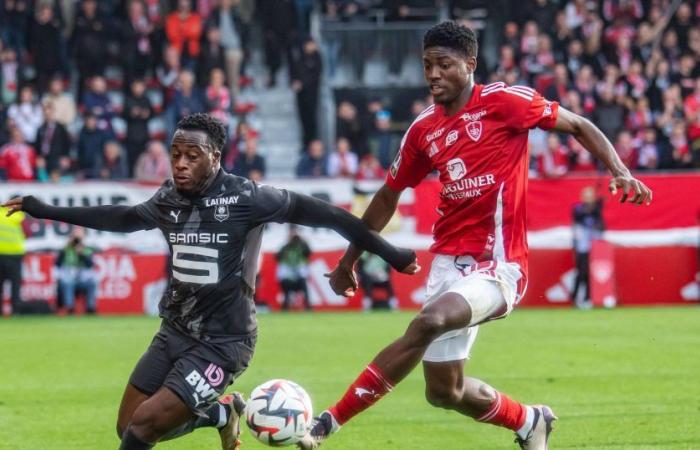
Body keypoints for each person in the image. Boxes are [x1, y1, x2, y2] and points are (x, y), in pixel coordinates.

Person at [298, 21, 652, 450]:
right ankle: (529, 421)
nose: (432, 75)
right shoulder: (423, 130)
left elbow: (578, 125)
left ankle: (327, 423)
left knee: (427, 322)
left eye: (443, 65)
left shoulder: (505, 102)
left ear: (470, 65)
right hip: (449, 265)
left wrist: (620, 170)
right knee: (444, 392)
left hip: (500, 265)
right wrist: (349, 258)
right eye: (427, 65)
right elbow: (387, 197)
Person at [2, 113, 417, 450]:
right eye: (175, 154)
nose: (180, 163)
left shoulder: (247, 197)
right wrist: (46, 209)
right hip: (173, 332)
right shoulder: (169, 199)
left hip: (224, 343)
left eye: (192, 156)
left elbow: (330, 215)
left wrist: (391, 253)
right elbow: (122, 218)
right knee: (127, 425)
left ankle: (217, 411)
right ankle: (221, 414)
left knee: (142, 429)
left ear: (215, 156)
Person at [571, 186, 604, 308]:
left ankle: (588, 298)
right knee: (581, 271)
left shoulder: (597, 209)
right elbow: (578, 218)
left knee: (590, 273)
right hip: (582, 245)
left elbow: (601, 225)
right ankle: (575, 297)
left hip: (594, 246)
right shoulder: (578, 208)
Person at [56, 227, 98, 314]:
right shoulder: (66, 249)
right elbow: (57, 264)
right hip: (69, 278)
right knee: (67, 282)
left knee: (93, 282)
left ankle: (90, 308)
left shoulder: (87, 248)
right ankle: (70, 307)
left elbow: (90, 265)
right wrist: (65, 248)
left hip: (82, 280)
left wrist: (81, 253)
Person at [276, 225, 312, 311]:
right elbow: (277, 257)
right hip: (288, 277)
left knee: (303, 283)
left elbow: (308, 253)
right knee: (285, 284)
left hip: (299, 276)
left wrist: (302, 239)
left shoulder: (302, 244)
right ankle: (285, 306)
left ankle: (308, 306)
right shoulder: (285, 245)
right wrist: (288, 241)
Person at [0, 201, 25, 315]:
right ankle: (16, 311)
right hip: (15, 254)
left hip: (1, 254)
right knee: (15, 285)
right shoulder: (18, 216)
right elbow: (28, 231)